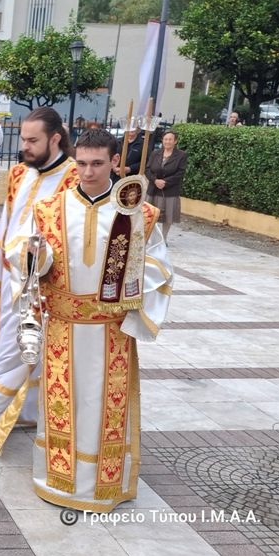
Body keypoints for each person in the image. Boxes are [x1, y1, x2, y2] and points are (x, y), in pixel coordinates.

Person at [30, 128, 173, 512]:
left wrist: (133, 278)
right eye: (81, 163)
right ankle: (57, 480)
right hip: (62, 327)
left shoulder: (138, 212)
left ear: (115, 163)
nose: (88, 171)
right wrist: (35, 256)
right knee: (63, 405)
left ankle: (103, 484)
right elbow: (34, 264)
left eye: (97, 163)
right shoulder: (49, 208)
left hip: (111, 331)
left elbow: (161, 264)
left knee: (101, 405)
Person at [0, 106, 79, 452]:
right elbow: (7, 225)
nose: (25, 146)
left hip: (44, 282)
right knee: (18, 346)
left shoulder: (74, 178)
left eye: (33, 140)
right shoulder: (18, 173)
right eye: (24, 139)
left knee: (14, 349)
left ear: (55, 139)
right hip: (11, 277)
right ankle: (29, 412)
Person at [145, 131, 187, 242]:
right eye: (165, 139)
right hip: (153, 189)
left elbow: (180, 173)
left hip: (170, 190)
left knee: (168, 216)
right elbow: (148, 169)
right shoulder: (155, 153)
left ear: (175, 141)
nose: (167, 141)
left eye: (170, 139)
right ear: (162, 140)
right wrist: (155, 180)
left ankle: (163, 238)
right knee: (150, 215)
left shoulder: (181, 155)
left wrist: (165, 182)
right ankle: (149, 237)